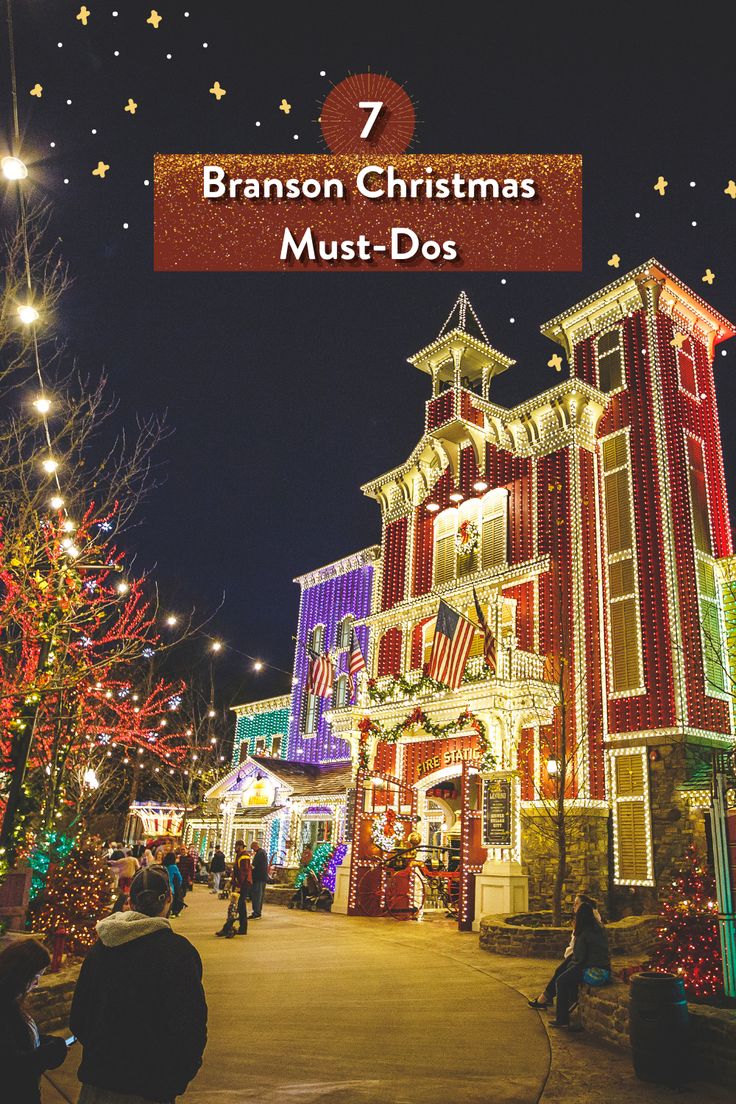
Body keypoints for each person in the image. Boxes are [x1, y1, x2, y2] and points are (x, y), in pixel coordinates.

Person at [71, 864, 207, 1103]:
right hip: (151, 1085)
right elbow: (190, 1025)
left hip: (98, 1080)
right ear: (169, 900)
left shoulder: (101, 948)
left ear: (131, 902)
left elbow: (80, 1017)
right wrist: (178, 1077)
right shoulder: (178, 953)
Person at [0, 939, 68, 1103]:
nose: (37, 984)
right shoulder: (4, 1008)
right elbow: (11, 1067)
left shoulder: (10, 1002)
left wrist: (45, 1041)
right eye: (36, 976)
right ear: (21, 974)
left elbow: (17, 1039)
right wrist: (51, 1052)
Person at [528, 893, 601, 1010]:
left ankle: (547, 1001)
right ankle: (547, 998)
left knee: (562, 974)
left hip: (580, 956)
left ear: (584, 906)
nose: (574, 906)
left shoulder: (590, 920)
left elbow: (580, 945)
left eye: (577, 904)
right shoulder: (585, 919)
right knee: (561, 972)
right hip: (577, 954)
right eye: (574, 904)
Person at [548, 901, 611, 1028]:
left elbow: (579, 959)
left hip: (593, 970)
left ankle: (562, 1019)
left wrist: (570, 967)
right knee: (569, 975)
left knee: (561, 981)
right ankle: (569, 1010)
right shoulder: (599, 929)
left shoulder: (583, 934)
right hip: (605, 968)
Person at [216, 840, 251, 937]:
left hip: (242, 885)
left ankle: (228, 927)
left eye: (236, 846)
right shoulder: (240, 856)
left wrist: (238, 886)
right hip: (239, 884)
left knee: (235, 907)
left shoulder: (244, 856)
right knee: (238, 907)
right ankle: (240, 928)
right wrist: (231, 882)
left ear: (240, 846)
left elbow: (244, 873)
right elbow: (237, 872)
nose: (234, 848)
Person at [249, 840, 269, 919]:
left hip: (258, 878)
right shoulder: (262, 853)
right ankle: (257, 911)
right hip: (262, 877)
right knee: (259, 895)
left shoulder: (260, 854)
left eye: (252, 848)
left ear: (255, 846)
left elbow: (254, 866)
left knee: (257, 895)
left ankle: (257, 912)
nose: (253, 850)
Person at [162, 852, 184, 917]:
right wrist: (179, 885)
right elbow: (179, 877)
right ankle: (171, 912)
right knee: (171, 900)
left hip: (163, 885)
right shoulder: (174, 867)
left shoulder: (163, 866)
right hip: (171, 886)